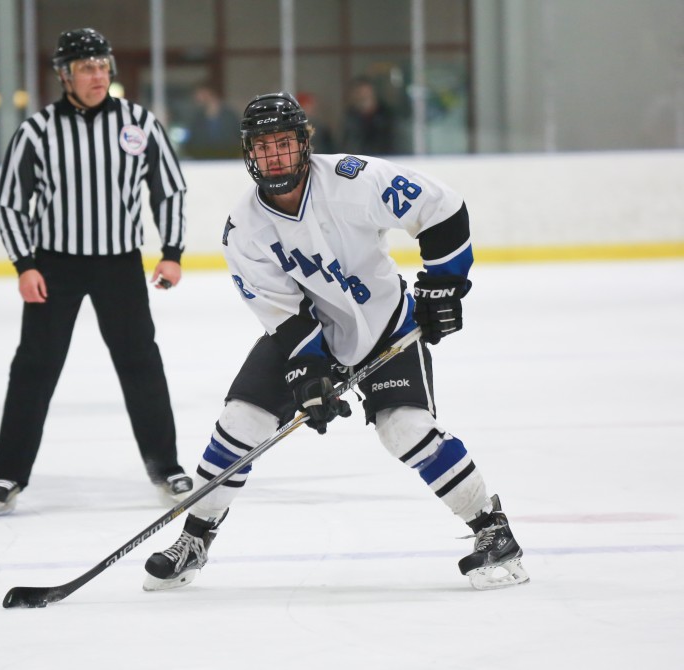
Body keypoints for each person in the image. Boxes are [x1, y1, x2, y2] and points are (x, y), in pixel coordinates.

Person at [143, 92, 529, 592]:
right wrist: (310, 373)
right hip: (308, 333)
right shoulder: (244, 230)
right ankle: (194, 538)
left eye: (285, 143)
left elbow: (444, 210)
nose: (275, 156)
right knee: (240, 422)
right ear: (249, 154)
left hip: (384, 326)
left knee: (405, 430)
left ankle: (492, 530)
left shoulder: (354, 180)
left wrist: (442, 285)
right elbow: (285, 319)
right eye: (264, 147)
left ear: (305, 142)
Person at [0, 28, 193, 516]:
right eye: (86, 68)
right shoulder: (36, 131)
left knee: (141, 363)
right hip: (54, 267)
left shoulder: (139, 123)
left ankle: (165, 464)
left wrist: (172, 251)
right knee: (34, 368)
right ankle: (8, 473)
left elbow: (170, 190)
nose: (98, 75)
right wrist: (25, 264)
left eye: (103, 65)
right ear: (65, 76)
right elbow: (9, 203)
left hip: (119, 264)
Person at [184, 84, 242, 159]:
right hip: (203, 161)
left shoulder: (230, 116)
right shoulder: (196, 118)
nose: (196, 97)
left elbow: (238, 137)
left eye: (199, 93)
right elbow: (191, 142)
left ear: (208, 93)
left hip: (228, 160)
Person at [342, 76, 396, 155]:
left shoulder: (386, 114)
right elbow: (347, 143)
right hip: (359, 162)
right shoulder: (350, 116)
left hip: (385, 159)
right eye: (359, 93)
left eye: (365, 92)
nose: (362, 95)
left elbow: (392, 141)